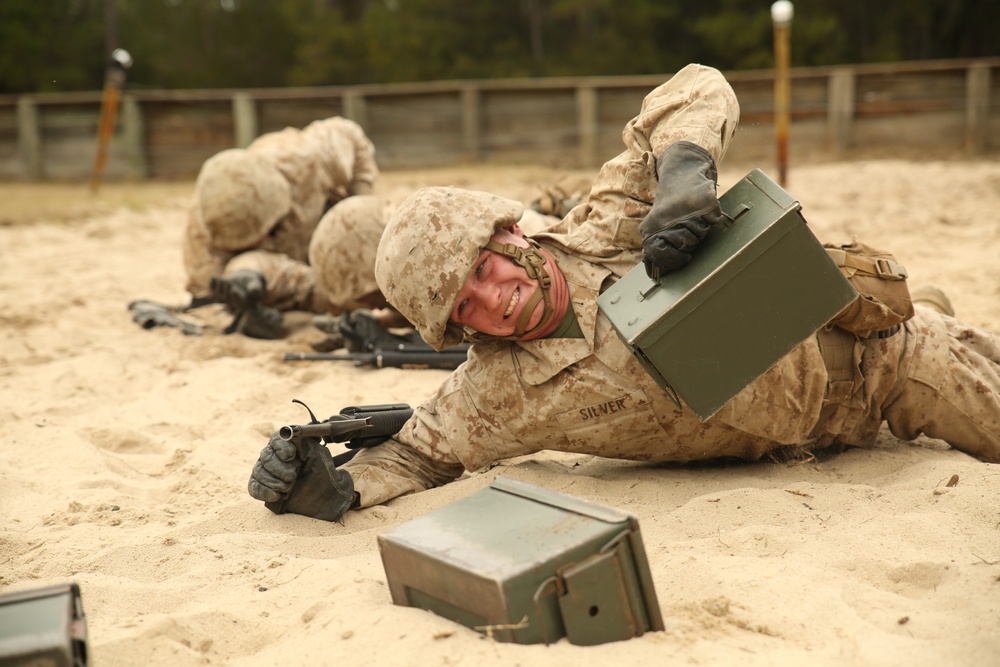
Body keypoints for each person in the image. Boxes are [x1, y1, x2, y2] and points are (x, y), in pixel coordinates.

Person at [247, 63, 1000, 522]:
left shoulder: (609, 225)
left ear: (510, 234)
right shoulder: (495, 393)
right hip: (804, 447)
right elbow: (414, 458)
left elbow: (698, 87)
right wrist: (320, 487)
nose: (494, 299)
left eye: (485, 268)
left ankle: (925, 309)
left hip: (877, 368)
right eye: (464, 308)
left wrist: (684, 175)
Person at [182, 116, 380, 339]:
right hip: (276, 276)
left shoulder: (304, 157)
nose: (261, 241)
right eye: (246, 242)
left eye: (266, 232)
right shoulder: (203, 235)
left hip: (332, 232)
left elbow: (352, 135)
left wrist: (359, 202)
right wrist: (242, 314)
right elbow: (205, 302)